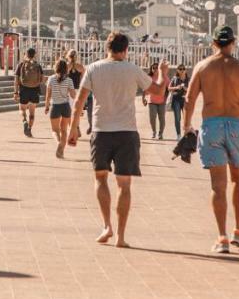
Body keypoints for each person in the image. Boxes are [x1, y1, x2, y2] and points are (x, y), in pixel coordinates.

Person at [68, 33, 169, 248]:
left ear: (107, 48)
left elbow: (79, 101)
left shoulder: (94, 68)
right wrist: (162, 73)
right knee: (124, 184)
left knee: (101, 179)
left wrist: (73, 129)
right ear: (125, 50)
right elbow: (158, 90)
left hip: (101, 131)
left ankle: (106, 225)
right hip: (126, 133)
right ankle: (121, 237)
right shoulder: (132, 69)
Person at [183, 26, 239, 254]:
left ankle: (221, 237)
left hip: (211, 126)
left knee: (217, 186)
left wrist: (186, 127)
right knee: (238, 180)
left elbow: (190, 99)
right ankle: (238, 230)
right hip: (237, 126)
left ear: (213, 43)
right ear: (233, 43)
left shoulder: (202, 67)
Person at [44, 58, 77, 158]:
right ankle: (61, 150)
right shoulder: (69, 80)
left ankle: (59, 143)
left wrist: (46, 106)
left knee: (55, 130)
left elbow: (48, 95)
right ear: (66, 69)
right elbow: (73, 95)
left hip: (55, 106)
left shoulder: (51, 79)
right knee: (64, 131)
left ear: (56, 67)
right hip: (66, 106)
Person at [13, 47, 44, 137]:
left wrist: (15, 92)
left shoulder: (21, 65)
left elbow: (16, 80)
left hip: (24, 90)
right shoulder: (37, 65)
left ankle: (24, 121)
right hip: (34, 91)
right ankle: (29, 129)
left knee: (22, 109)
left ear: (26, 54)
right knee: (32, 113)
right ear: (34, 55)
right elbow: (41, 79)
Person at [66, 50, 92, 134]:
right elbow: (83, 80)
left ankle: (72, 128)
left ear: (68, 56)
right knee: (77, 110)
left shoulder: (66, 66)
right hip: (77, 90)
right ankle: (77, 126)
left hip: (68, 91)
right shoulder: (80, 67)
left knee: (69, 111)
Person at [145, 61, 169, 140]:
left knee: (162, 119)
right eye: (153, 68)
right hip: (151, 101)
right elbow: (145, 89)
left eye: (156, 67)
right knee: (152, 118)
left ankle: (160, 133)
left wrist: (167, 97)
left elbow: (169, 87)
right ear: (151, 69)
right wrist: (143, 98)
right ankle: (154, 131)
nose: (155, 69)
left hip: (162, 102)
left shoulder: (164, 77)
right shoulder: (149, 78)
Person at [168, 64, 189, 135]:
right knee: (178, 118)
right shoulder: (174, 78)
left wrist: (185, 88)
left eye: (183, 69)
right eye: (180, 69)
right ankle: (178, 134)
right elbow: (169, 88)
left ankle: (186, 133)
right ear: (177, 70)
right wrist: (176, 87)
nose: (182, 70)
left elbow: (192, 90)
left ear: (185, 70)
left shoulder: (188, 79)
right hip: (176, 99)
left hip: (185, 100)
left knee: (186, 118)